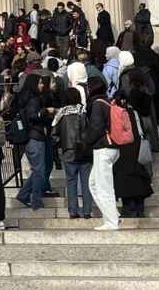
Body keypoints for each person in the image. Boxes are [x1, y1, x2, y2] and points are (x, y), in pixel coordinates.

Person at [82, 78, 121, 231]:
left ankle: (112, 221)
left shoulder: (97, 104)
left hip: (103, 148)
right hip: (111, 147)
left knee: (103, 186)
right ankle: (113, 216)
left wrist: (86, 140)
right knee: (93, 183)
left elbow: (96, 128)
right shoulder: (106, 101)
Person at [14, 71, 52, 212]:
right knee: (39, 171)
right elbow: (33, 116)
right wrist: (46, 111)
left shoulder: (28, 98)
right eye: (40, 83)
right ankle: (35, 200)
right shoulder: (34, 100)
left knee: (38, 170)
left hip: (33, 137)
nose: (42, 85)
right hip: (35, 138)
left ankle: (24, 195)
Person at [53, 88, 93, 219]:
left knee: (71, 182)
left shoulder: (61, 113)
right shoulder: (83, 111)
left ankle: (73, 211)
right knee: (86, 182)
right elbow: (89, 130)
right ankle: (87, 211)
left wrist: (62, 144)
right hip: (84, 150)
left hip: (68, 151)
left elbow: (54, 134)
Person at [112, 89, 152, 217]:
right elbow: (142, 130)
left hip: (122, 148)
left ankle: (129, 208)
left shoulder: (115, 113)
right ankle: (139, 208)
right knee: (138, 176)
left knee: (124, 179)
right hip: (136, 147)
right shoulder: (134, 112)